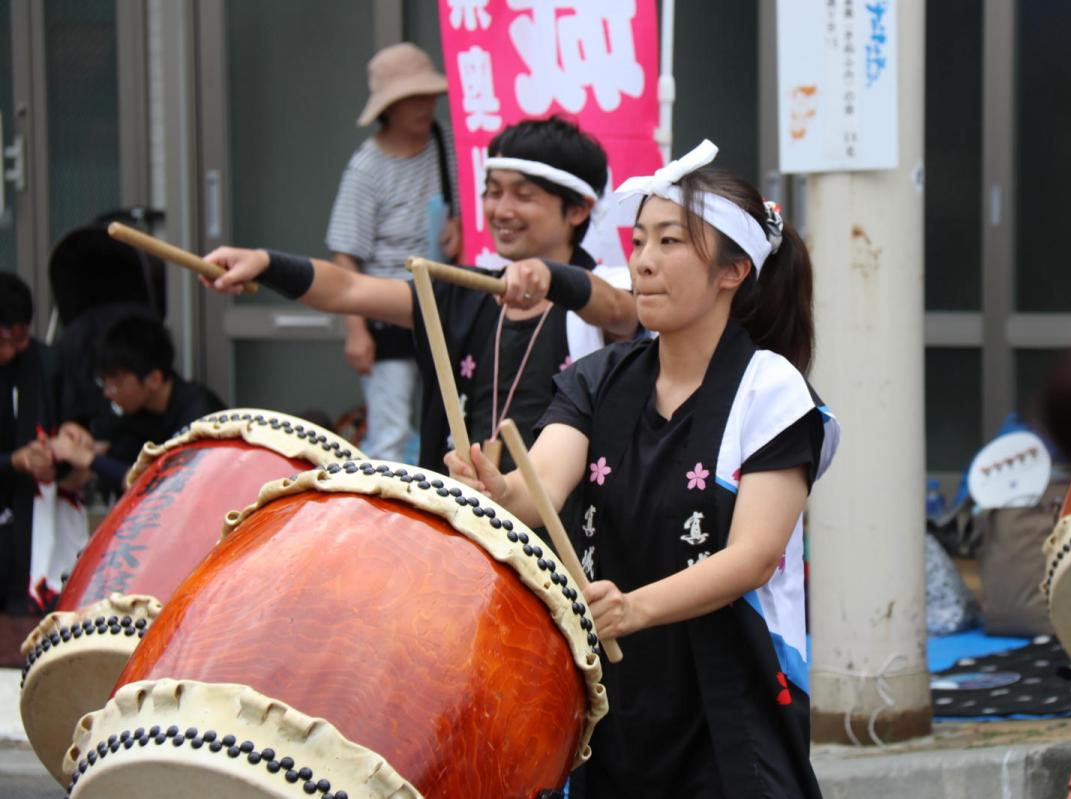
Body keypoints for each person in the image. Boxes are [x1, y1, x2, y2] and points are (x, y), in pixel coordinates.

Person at [445, 141, 839, 798]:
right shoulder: (599, 379)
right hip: (614, 690)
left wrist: (634, 606)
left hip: (729, 690)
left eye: (670, 242)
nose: (644, 262)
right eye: (637, 242)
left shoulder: (770, 393)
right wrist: (497, 487)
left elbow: (753, 556)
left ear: (732, 270)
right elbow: (538, 489)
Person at [205, 116, 638, 475]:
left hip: (561, 535)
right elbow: (349, 288)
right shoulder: (464, 292)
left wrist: (552, 277)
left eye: (523, 195)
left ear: (578, 209)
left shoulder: (604, 292)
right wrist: (265, 262)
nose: (501, 210)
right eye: (493, 191)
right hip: (463, 525)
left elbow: (620, 310)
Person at [327, 43, 461, 462]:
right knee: (390, 435)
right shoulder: (367, 168)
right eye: (411, 99)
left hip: (442, 305)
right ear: (389, 107)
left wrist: (463, 232)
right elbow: (345, 252)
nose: (426, 106)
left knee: (455, 430)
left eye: (429, 94)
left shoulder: (446, 143)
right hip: (386, 312)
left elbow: (470, 210)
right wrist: (356, 330)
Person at [0, 274, 92, 660]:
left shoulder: (49, 362)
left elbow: (80, 421)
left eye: (21, 338)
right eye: (5, 340)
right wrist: (13, 460)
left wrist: (70, 438)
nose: (13, 350)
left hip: (37, 507)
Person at [62, 315, 224, 494]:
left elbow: (163, 487)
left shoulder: (199, 416)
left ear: (154, 380)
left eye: (117, 383)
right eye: (104, 381)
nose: (108, 393)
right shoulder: (134, 409)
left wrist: (88, 459)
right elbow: (111, 450)